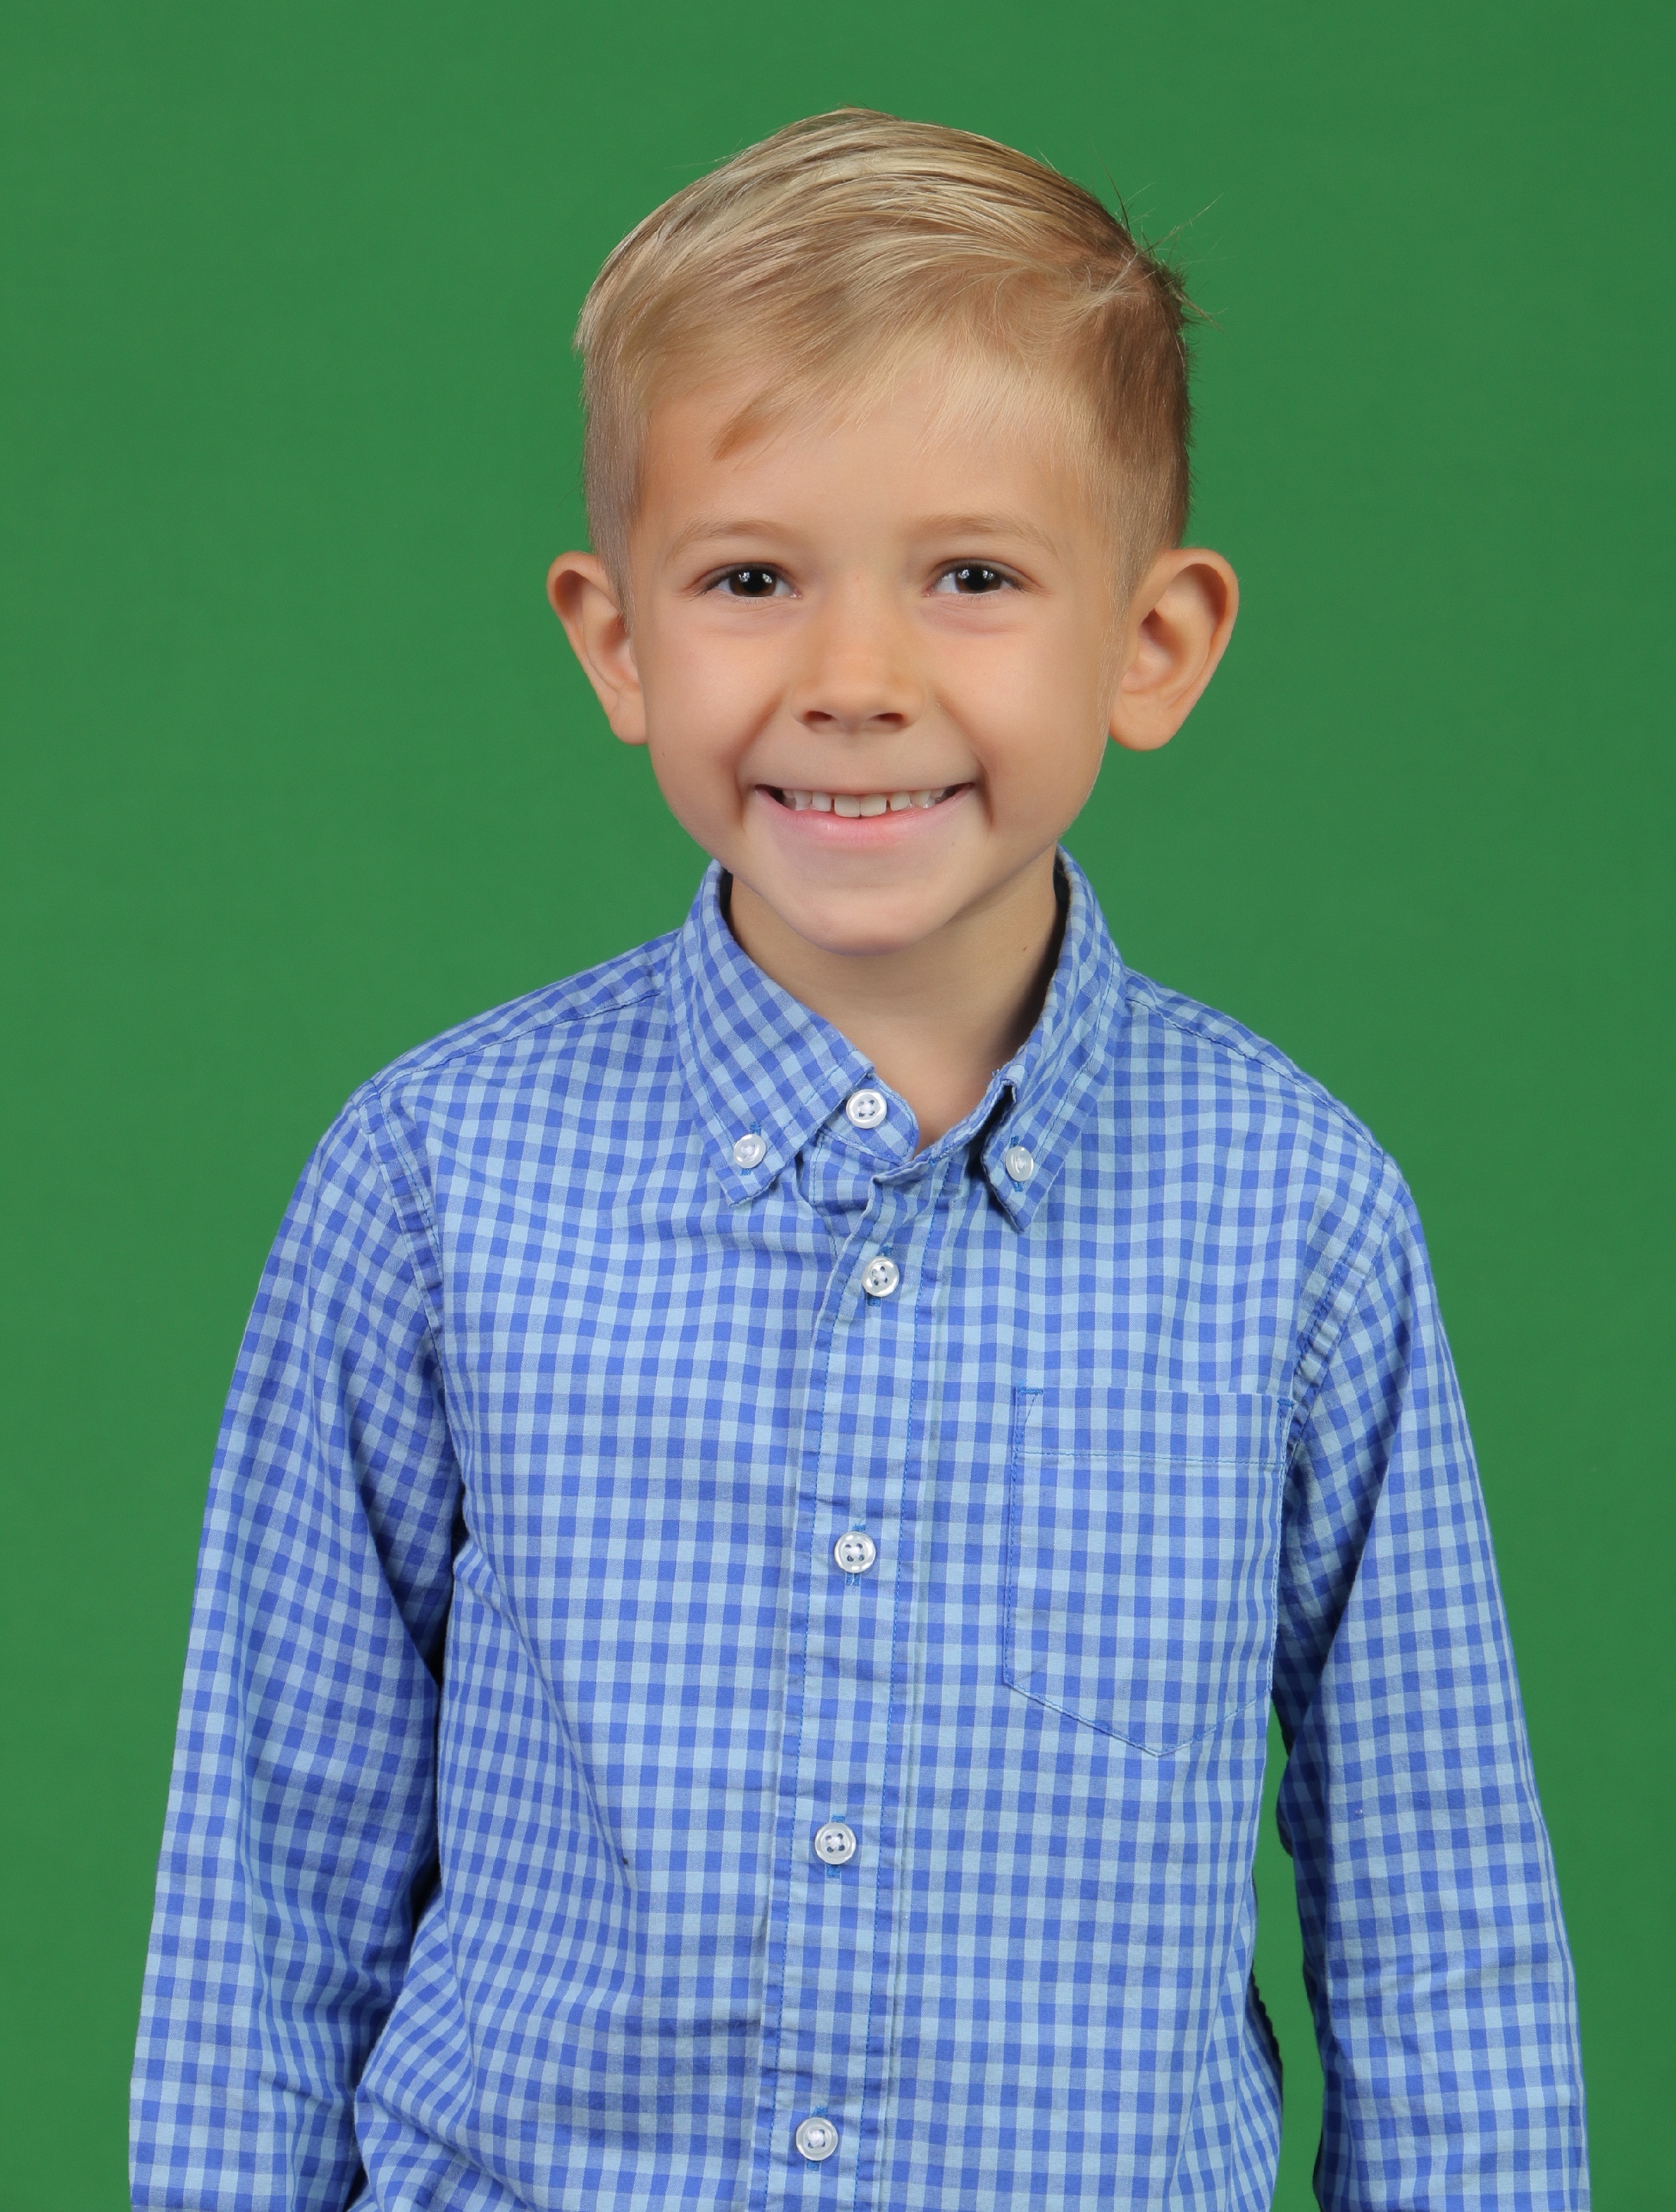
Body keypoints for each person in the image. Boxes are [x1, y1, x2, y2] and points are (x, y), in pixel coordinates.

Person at [132, 109, 1587, 2212]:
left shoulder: (1300, 1222)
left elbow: (1439, 1923)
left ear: (1155, 642)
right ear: (617, 639)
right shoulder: (432, 1183)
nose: (855, 683)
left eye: (973, 577)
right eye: (751, 579)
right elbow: (276, 1884)